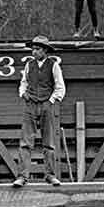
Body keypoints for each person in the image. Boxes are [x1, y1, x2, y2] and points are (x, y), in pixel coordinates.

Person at [11, 36, 66, 187]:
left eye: (38, 49)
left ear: (45, 50)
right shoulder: (29, 65)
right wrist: (23, 94)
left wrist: (51, 101)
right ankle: (22, 176)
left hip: (46, 105)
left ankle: (50, 175)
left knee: (48, 142)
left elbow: (60, 87)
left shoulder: (53, 65)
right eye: (33, 49)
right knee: (25, 142)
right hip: (30, 105)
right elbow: (23, 83)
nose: (34, 52)